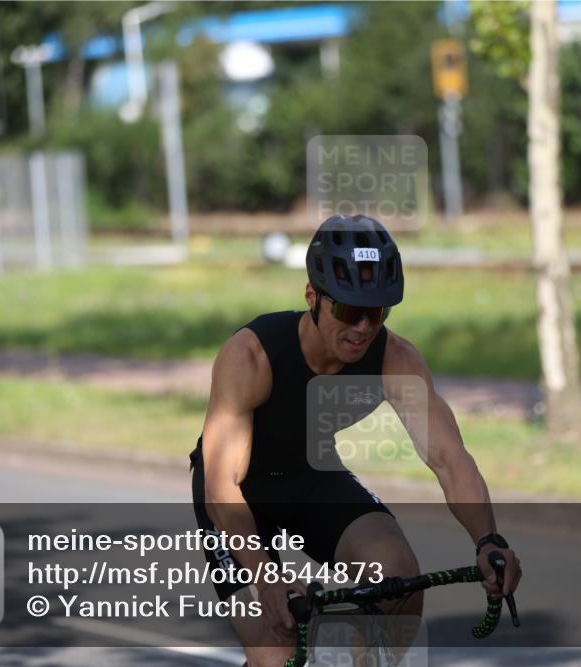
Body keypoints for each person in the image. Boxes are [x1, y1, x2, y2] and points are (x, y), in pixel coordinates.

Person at [190, 214, 522, 666]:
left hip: (311, 476)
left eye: (377, 312)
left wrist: (488, 540)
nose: (364, 327)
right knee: (279, 647)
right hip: (236, 495)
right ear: (312, 297)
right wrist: (268, 578)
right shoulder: (251, 355)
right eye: (348, 310)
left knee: (398, 580)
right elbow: (221, 486)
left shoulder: (395, 360)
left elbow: (448, 457)